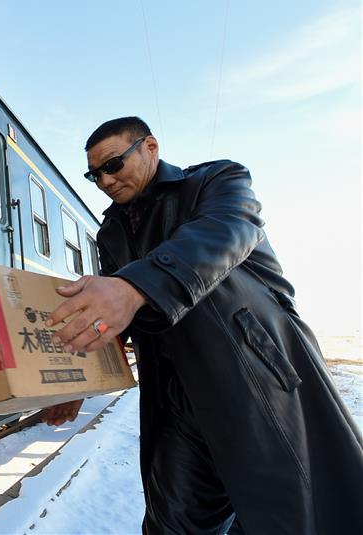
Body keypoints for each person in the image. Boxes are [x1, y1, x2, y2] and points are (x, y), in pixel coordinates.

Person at [45, 116, 363, 533]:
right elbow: (113, 318)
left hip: (252, 380)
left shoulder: (217, 180)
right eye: (95, 174)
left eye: (113, 165)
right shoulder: (111, 232)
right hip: (175, 399)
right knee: (172, 523)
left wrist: (133, 286)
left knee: (287, 517)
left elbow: (224, 233)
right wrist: (79, 380)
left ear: (150, 147)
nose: (105, 180)